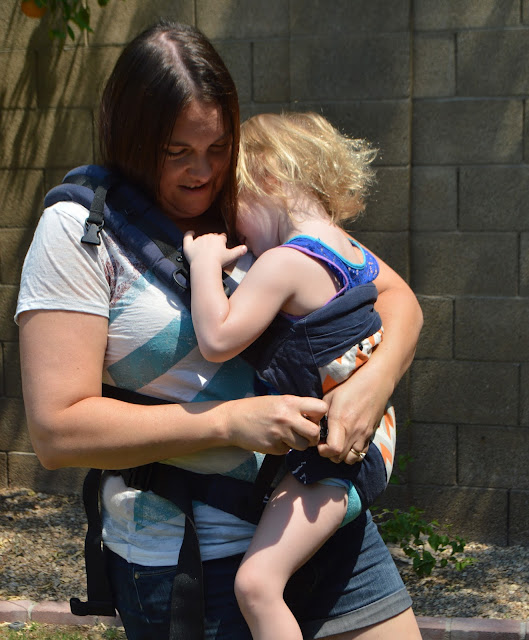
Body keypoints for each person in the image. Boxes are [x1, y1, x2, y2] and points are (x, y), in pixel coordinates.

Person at [15, 20, 423, 640]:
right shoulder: (79, 232)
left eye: (217, 147)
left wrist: (375, 383)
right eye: (175, 151)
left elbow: (393, 296)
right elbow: (56, 431)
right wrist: (228, 423)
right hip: (190, 561)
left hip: (322, 520)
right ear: (129, 136)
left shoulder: (251, 203)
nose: (202, 174)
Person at [183, 111, 398, 640]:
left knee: (257, 585)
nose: (235, 228)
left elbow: (216, 340)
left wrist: (205, 263)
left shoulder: (283, 263)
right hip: (369, 437)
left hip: (341, 456)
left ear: (269, 179)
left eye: (234, 205)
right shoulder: (349, 252)